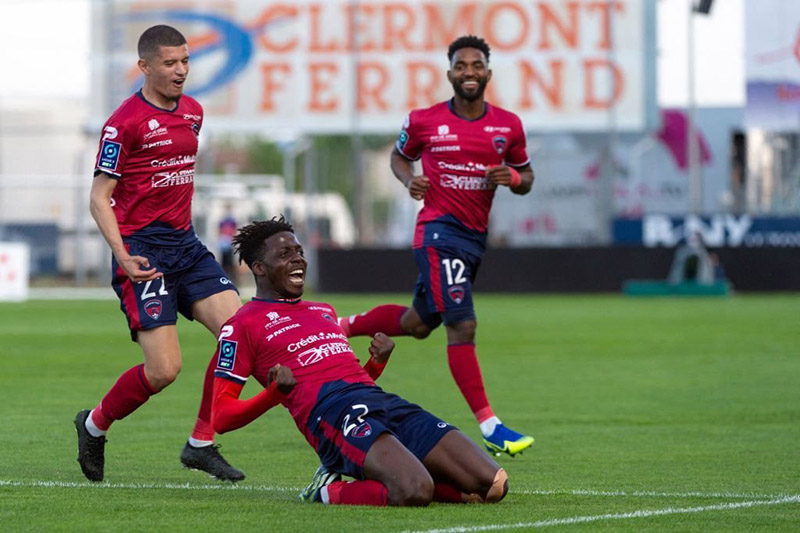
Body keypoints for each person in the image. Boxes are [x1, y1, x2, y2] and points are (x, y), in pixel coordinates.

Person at [210, 216, 508, 506]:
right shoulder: (242, 326)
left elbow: (347, 377)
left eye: (299, 251)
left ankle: (409, 475)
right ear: (259, 268)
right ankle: (326, 491)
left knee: (494, 485)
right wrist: (274, 394)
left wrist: (375, 365)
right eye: (285, 254)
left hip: (379, 400)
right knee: (413, 490)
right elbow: (221, 417)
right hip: (332, 415)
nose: (298, 259)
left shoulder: (322, 311)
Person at [337, 35, 535, 456]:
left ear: (488, 73)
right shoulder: (424, 120)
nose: (469, 72)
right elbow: (398, 156)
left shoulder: (507, 126)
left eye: (476, 65)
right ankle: (490, 425)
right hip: (437, 234)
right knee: (462, 324)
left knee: (417, 324)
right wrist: (411, 181)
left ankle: (343, 327)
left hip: (473, 239)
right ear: (449, 73)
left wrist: (514, 180)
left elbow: (527, 175)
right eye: (461, 66)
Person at [74, 25, 244, 482]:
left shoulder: (193, 112)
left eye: (186, 61)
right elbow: (98, 197)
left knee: (242, 335)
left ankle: (201, 442)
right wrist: (123, 256)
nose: (181, 71)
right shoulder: (123, 122)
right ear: (145, 67)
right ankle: (93, 425)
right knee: (164, 370)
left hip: (185, 246)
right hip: (143, 253)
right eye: (170, 63)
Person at [217, 204, 238, 283]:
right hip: (224, 243)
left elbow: (234, 231)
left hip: (229, 243)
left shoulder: (232, 221)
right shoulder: (223, 221)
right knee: (224, 262)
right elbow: (220, 231)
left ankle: (231, 278)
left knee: (230, 263)